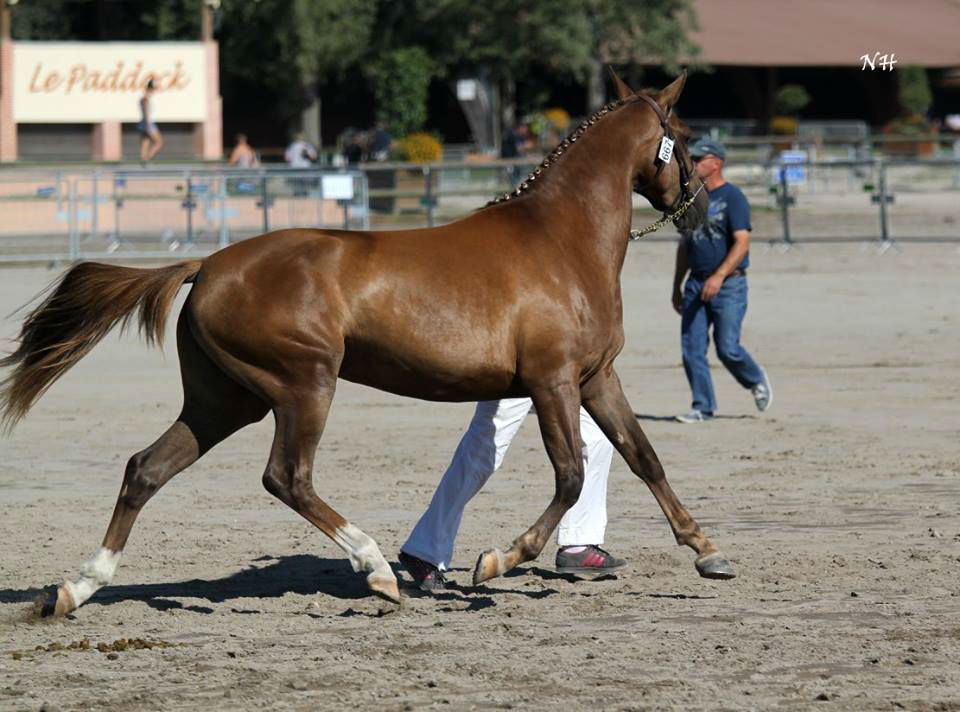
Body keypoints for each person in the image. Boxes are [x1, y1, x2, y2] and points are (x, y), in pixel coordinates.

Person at [398, 398, 626, 591]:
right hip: (519, 359)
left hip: (557, 360)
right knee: (484, 449)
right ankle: (424, 550)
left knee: (595, 434)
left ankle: (579, 543)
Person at [671, 138, 773, 423]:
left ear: (716, 162)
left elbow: (742, 243)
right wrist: (677, 285)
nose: (692, 164)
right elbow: (684, 245)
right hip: (695, 282)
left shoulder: (733, 197)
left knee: (727, 347)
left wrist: (718, 276)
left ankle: (755, 378)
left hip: (729, 284)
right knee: (691, 349)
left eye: (698, 159)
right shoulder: (690, 197)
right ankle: (702, 406)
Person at [284, 132, 318, 196]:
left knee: (297, 184)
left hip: (295, 167)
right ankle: (303, 195)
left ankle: (299, 195)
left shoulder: (292, 146)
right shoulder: (307, 145)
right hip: (304, 168)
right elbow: (314, 156)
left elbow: (287, 158)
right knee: (304, 185)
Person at [138, 79, 163, 164]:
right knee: (159, 142)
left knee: (145, 142)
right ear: (151, 89)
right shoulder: (145, 99)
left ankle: (143, 161)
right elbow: (146, 112)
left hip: (144, 123)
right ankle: (147, 159)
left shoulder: (145, 98)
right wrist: (148, 125)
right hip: (148, 123)